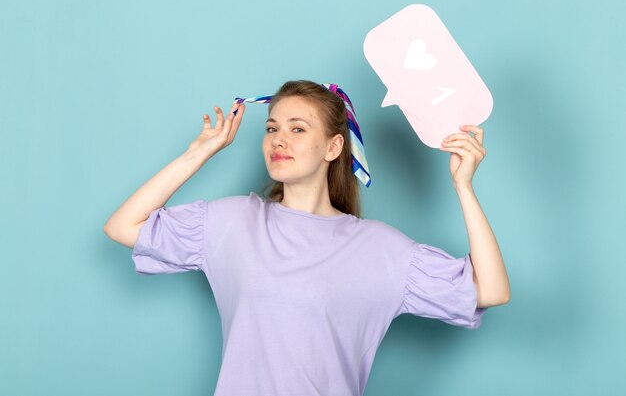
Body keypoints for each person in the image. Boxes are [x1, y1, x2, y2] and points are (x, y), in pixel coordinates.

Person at [103, 80, 510, 396]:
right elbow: (124, 226)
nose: (279, 139)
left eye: (298, 128)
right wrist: (200, 153)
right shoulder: (232, 222)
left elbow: (489, 290)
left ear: (334, 147)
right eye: (271, 128)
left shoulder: (379, 249)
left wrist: (463, 185)